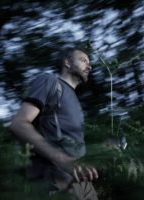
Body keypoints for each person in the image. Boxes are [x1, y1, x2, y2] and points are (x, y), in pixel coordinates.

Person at [8, 47, 99, 199]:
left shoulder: (75, 99)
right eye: (83, 60)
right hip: (55, 177)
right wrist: (64, 161)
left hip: (82, 181)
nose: (89, 66)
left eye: (89, 63)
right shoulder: (49, 81)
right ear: (67, 62)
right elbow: (18, 124)